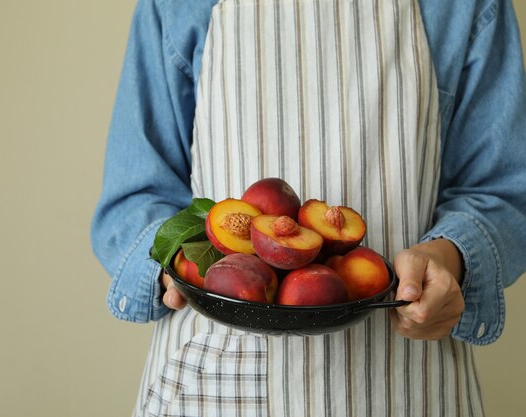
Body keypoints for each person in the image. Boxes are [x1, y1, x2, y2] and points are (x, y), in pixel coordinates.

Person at [91, 0, 526, 415]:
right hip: (218, 374)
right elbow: (134, 197)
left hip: (408, 373)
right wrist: (179, 265)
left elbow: (502, 189)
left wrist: (448, 257)